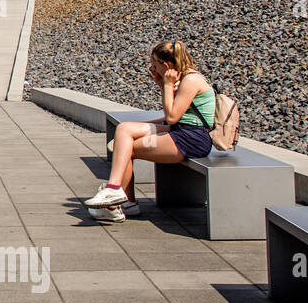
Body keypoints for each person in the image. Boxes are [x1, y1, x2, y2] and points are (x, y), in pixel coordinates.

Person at [84, 40, 215, 223]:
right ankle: (117, 194)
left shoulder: (191, 81)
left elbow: (172, 116)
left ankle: (119, 200)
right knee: (124, 130)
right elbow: (172, 115)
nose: (153, 69)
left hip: (191, 138)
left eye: (155, 66)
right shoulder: (184, 77)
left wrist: (167, 85)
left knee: (127, 148)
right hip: (180, 131)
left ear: (167, 65)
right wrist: (163, 85)